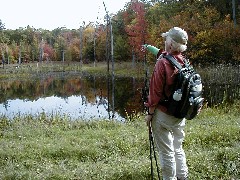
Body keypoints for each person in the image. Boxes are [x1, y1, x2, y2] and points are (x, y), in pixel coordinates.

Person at [143, 27, 189, 180]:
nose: (164, 41)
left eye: (166, 39)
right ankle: (182, 177)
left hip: (163, 114)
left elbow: (155, 94)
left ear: (170, 43)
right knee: (177, 147)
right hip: (179, 114)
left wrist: (149, 114)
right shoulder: (183, 60)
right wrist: (148, 47)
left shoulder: (162, 64)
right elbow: (163, 54)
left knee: (166, 151)